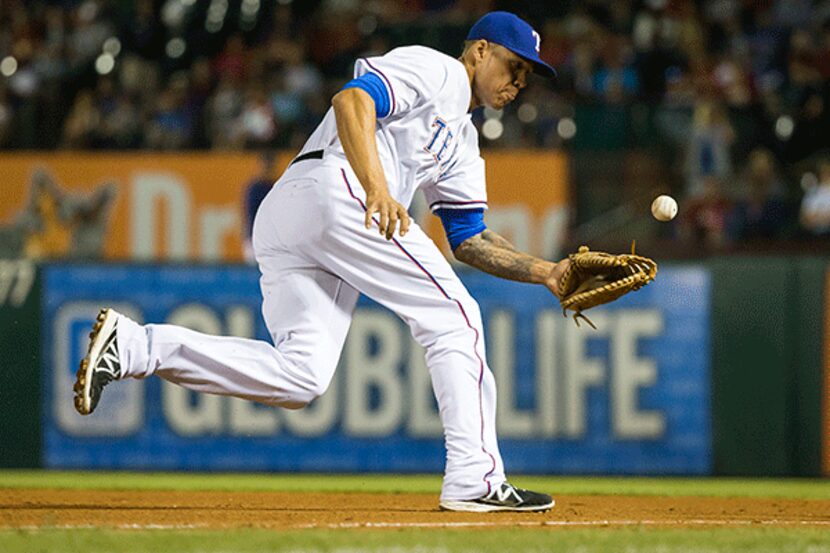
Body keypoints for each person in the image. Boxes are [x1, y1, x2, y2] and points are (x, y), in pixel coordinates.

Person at [74, 12, 569, 513]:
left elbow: (469, 238)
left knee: (301, 376)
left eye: (527, 75)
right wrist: (377, 188)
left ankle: (137, 346)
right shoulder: (438, 70)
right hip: (336, 189)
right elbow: (351, 99)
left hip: (297, 214)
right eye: (514, 66)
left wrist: (546, 272)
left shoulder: (462, 140)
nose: (518, 82)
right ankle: (474, 477)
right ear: (481, 50)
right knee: (455, 318)